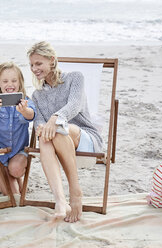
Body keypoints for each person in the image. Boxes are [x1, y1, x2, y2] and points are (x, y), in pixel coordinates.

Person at [27, 41, 103, 223]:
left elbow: (74, 105)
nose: (34, 69)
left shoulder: (75, 78)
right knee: (45, 138)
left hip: (85, 137)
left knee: (59, 130)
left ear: (52, 60)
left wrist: (55, 118)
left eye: (38, 63)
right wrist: (42, 127)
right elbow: (39, 122)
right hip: (56, 141)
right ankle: (61, 200)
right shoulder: (37, 96)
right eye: (31, 65)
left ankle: (75, 190)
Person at [0, 62, 36, 195]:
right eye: (5, 81)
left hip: (19, 151)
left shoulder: (26, 101)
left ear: (20, 82)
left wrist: (24, 111)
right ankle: (2, 175)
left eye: (13, 81)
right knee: (13, 194)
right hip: (0, 153)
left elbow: (31, 115)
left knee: (16, 169)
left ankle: (12, 175)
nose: (9, 84)